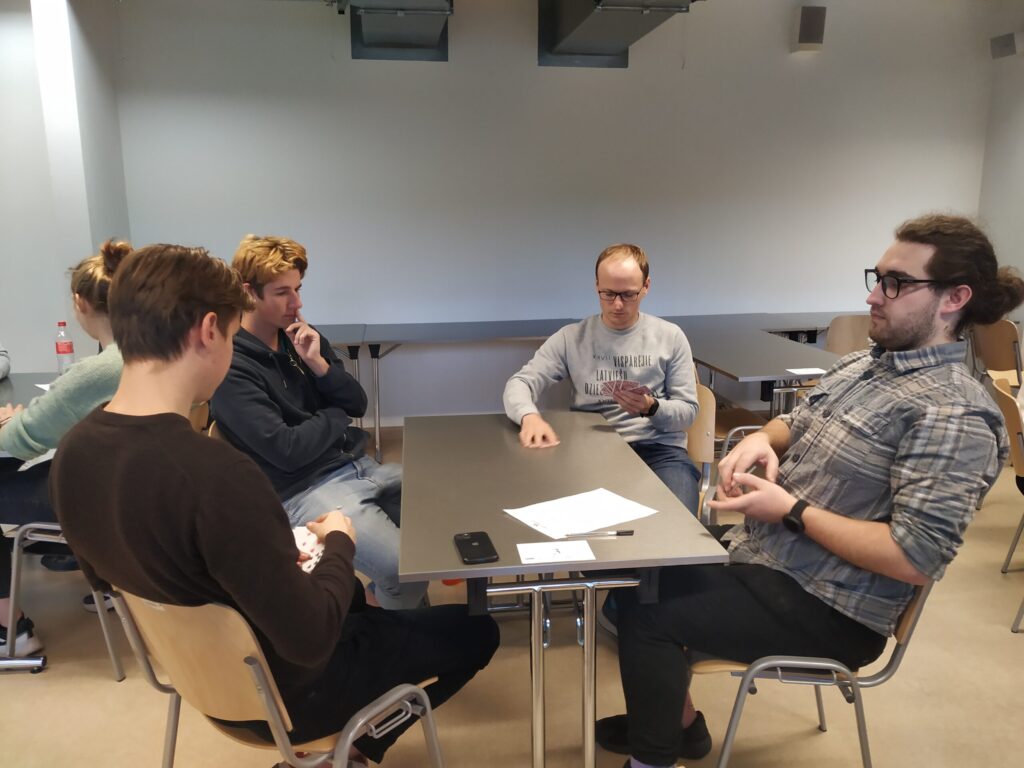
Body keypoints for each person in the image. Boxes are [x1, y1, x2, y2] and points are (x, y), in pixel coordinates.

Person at [596, 214, 1024, 768]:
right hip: (770, 558)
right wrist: (762, 440)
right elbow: (797, 420)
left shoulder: (953, 413)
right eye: (877, 277)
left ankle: (655, 754)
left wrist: (790, 510)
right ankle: (677, 726)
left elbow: (915, 558)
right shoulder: (864, 366)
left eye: (896, 283)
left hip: (832, 606)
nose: (873, 295)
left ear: (954, 299)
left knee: (646, 608)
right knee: (640, 571)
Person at [50, 244, 499, 763]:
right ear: (209, 330)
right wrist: (338, 543)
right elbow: (310, 637)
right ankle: (355, 748)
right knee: (476, 632)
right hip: (288, 694)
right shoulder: (219, 474)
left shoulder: (73, 454)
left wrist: (271, 557)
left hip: (200, 678)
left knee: (356, 598)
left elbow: (114, 578)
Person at [210, 235, 426, 610]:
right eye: (282, 293)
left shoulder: (303, 339)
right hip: (303, 490)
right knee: (403, 570)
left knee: (446, 514)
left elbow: (357, 403)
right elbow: (288, 451)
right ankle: (385, 626)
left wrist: (319, 365)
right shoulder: (232, 367)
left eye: (297, 289)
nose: (296, 303)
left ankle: (397, 611)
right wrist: (335, 414)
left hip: (356, 465)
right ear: (248, 293)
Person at [0, 240, 129, 656]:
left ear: (80, 303)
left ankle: (11, 631)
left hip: (89, 496)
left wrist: (10, 422)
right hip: (124, 489)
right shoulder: (151, 354)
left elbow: (22, 439)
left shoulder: (95, 373)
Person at [503, 243, 701, 512]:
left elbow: (688, 413)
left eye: (628, 294)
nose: (617, 304)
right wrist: (529, 416)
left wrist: (651, 407)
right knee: (568, 519)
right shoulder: (572, 337)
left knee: (679, 526)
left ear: (646, 286)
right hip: (589, 451)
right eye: (608, 294)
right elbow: (520, 383)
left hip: (659, 452)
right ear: (597, 285)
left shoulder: (670, 337)